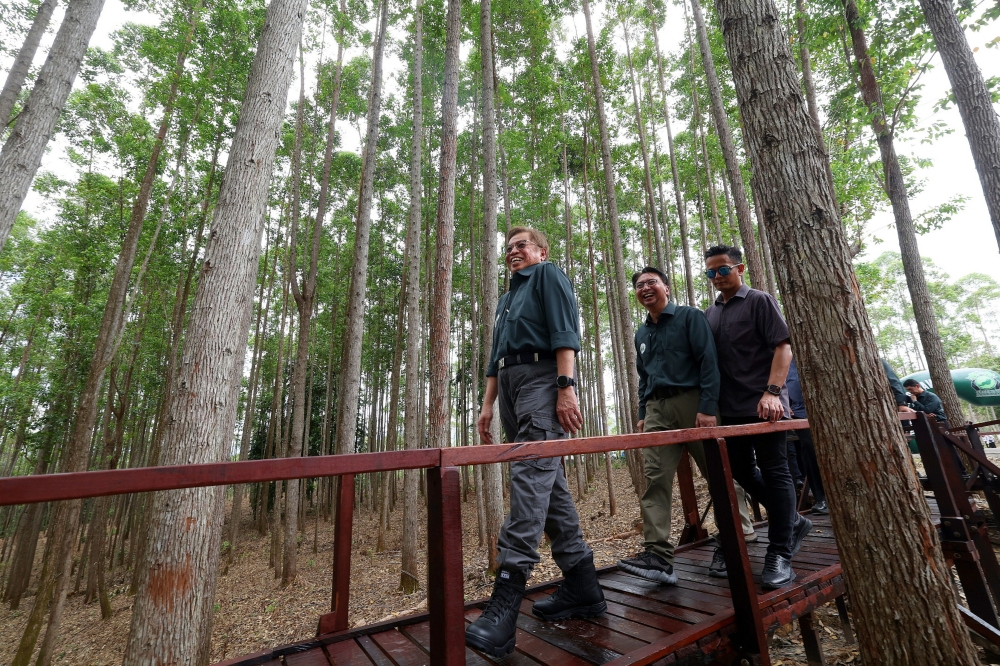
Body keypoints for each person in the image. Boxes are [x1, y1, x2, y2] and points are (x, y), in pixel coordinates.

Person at [465, 226, 605, 658]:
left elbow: (565, 333)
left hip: (542, 379)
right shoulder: (506, 299)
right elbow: (495, 357)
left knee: (529, 477)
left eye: (521, 245)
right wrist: (487, 405)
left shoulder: (547, 275)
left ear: (541, 251)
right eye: (508, 248)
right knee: (547, 483)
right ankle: (583, 585)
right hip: (509, 386)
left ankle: (506, 599)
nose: (513, 252)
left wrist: (566, 387)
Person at [617, 267, 756, 585]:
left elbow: (708, 362)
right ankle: (658, 556)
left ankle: (736, 536)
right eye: (639, 285)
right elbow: (644, 377)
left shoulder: (690, 317)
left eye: (652, 282)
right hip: (657, 409)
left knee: (717, 472)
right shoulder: (641, 333)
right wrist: (643, 412)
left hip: (694, 402)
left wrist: (707, 407)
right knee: (655, 478)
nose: (645, 288)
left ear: (666, 287)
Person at [703, 245, 812, 590]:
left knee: (775, 471)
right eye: (711, 272)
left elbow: (783, 347)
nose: (717, 277)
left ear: (740, 269)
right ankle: (792, 520)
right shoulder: (710, 313)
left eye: (723, 269)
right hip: (729, 408)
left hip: (766, 405)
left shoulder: (759, 300)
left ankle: (780, 553)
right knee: (740, 470)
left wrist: (773, 392)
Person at [785, 359, 827, 514]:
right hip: (800, 413)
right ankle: (822, 499)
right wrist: (786, 404)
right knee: (810, 453)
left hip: (824, 409)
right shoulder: (784, 359)